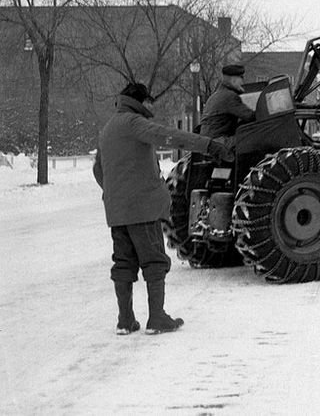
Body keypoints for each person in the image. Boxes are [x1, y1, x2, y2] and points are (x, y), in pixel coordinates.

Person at [93, 81, 233, 335]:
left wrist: (116, 194)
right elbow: (168, 135)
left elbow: (98, 170)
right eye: (149, 101)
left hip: (117, 211)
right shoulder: (133, 123)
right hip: (142, 209)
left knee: (123, 263)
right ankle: (156, 317)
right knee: (154, 261)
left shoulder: (108, 129)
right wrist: (210, 145)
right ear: (140, 101)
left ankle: (125, 320)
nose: (151, 106)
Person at [199, 63, 255, 144]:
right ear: (234, 80)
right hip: (219, 143)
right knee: (253, 137)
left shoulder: (217, 94)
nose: (243, 82)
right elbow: (250, 116)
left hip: (209, 143)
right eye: (242, 78)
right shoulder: (229, 96)